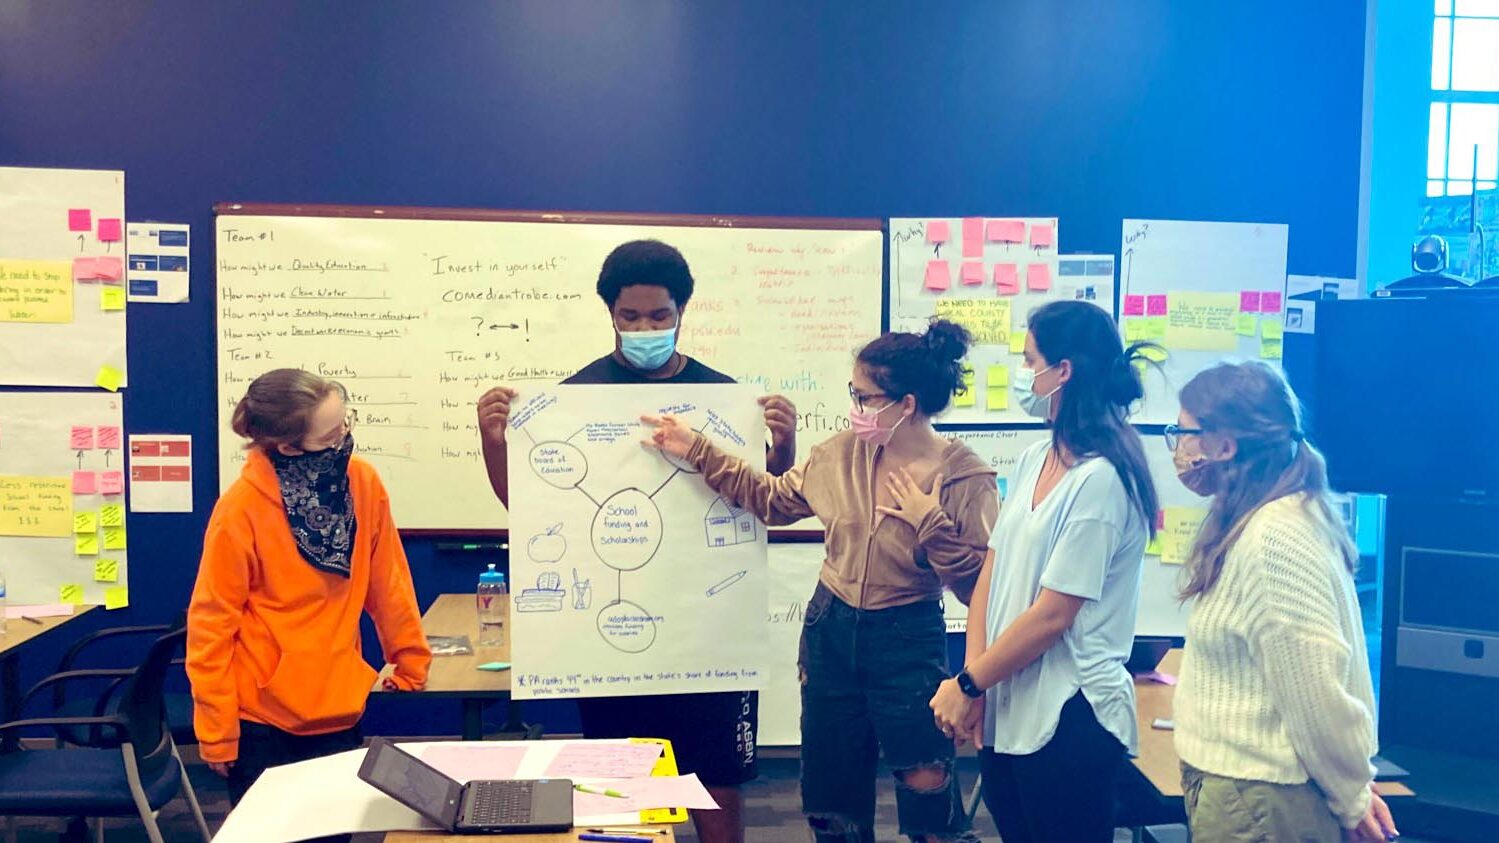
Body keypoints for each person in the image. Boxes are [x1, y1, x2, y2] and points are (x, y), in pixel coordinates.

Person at [475, 239, 797, 843]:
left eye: (660, 316)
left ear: (682, 313)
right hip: (612, 635)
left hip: (709, 631)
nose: (646, 328)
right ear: (611, 316)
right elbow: (532, 509)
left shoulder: (725, 398)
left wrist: (782, 446)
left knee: (717, 777)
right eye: (631, 317)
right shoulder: (570, 400)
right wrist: (494, 440)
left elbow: (769, 500)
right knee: (623, 781)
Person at [642, 319, 997, 843]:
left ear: (907, 405)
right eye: (852, 393)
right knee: (832, 799)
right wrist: (696, 447)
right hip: (831, 629)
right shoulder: (838, 454)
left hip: (907, 635)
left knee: (926, 786)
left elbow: (977, 588)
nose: (855, 407)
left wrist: (930, 523)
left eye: (866, 397)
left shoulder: (966, 477)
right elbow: (769, 500)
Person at [931, 300, 1157, 843]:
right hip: (1007, 701)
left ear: (1065, 372)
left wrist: (967, 682)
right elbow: (994, 565)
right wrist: (977, 680)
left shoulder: (1102, 480)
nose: (1024, 375)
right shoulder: (1036, 456)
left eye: (1031, 361)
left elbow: (1053, 615)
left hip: (1070, 716)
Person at [1167, 362, 1397, 843]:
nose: (1177, 446)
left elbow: (1316, 694)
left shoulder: (1275, 537)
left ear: (1224, 446)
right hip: (1251, 798)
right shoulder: (1265, 520)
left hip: (1260, 803)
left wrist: (1353, 796)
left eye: (1183, 432)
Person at [187, 369, 431, 813]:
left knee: (336, 832)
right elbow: (211, 626)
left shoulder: (363, 483)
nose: (344, 438)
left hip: (339, 708)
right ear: (287, 446)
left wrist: (410, 660)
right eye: (331, 434)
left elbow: (387, 579)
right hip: (262, 720)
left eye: (346, 424)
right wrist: (217, 731)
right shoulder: (240, 510)